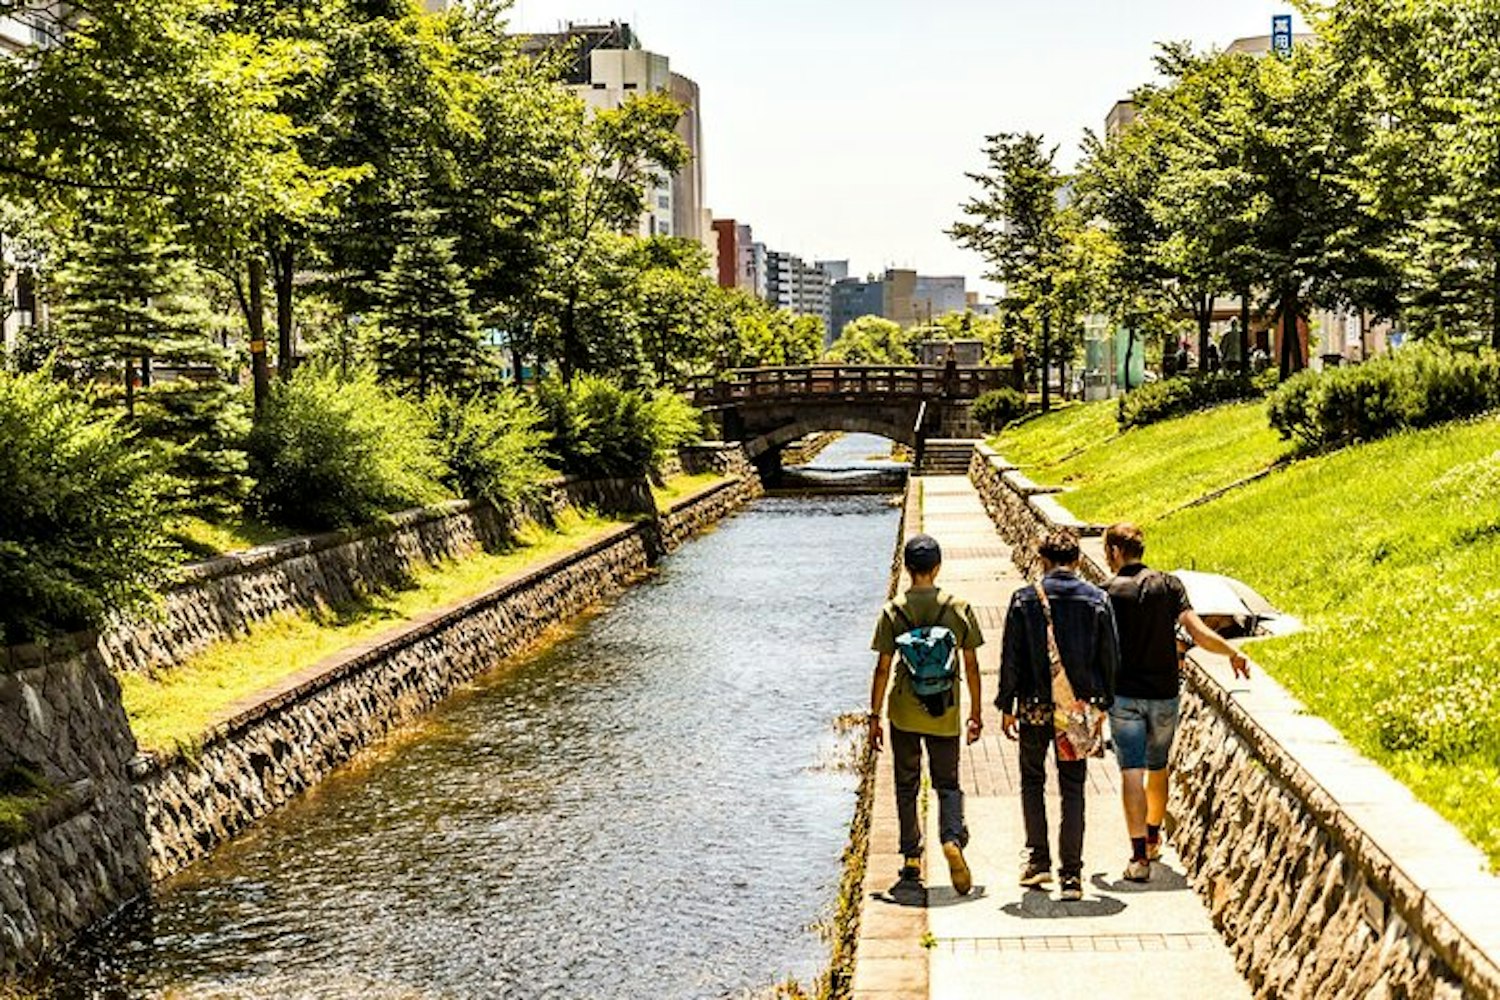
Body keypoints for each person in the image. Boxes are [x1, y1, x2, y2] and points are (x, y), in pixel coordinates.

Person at [1102, 523, 1250, 883]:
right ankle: (1153, 837)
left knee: (1131, 771)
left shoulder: (1106, 592)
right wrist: (1231, 651)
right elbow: (1197, 631)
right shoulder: (1169, 586)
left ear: (1117, 552)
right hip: (1164, 692)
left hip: (1123, 694)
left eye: (1108, 552)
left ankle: (1139, 858)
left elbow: (1098, 645)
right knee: (1158, 766)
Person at [998, 530, 1119, 902]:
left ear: (1042, 559)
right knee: (1073, 787)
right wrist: (1103, 705)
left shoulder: (1024, 599)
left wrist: (1006, 705)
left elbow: (1011, 657)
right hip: (1077, 710)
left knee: (1032, 780)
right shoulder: (1097, 599)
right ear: (1078, 560)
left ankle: (1038, 860)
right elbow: (1110, 657)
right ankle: (1071, 875)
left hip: (1034, 706)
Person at [869, 534, 985, 895]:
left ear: (906, 568)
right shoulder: (958, 607)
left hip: (904, 709)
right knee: (947, 782)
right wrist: (976, 712)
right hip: (945, 708)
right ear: (937, 567)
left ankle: (911, 858)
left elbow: (883, 668)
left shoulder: (893, 610)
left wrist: (873, 716)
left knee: (906, 783)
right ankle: (951, 837)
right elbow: (971, 663)